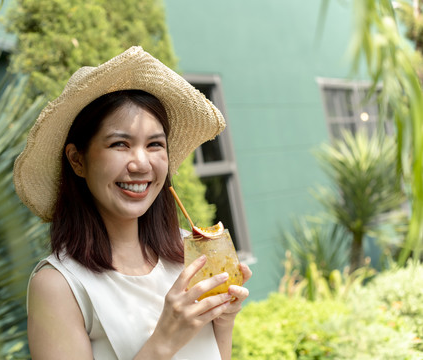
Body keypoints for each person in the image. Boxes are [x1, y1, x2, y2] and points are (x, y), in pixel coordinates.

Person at [13, 46, 252, 360]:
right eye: (120, 144)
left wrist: (223, 322)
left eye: (155, 144)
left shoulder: (189, 254)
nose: (141, 163)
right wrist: (162, 343)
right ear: (77, 159)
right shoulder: (59, 285)